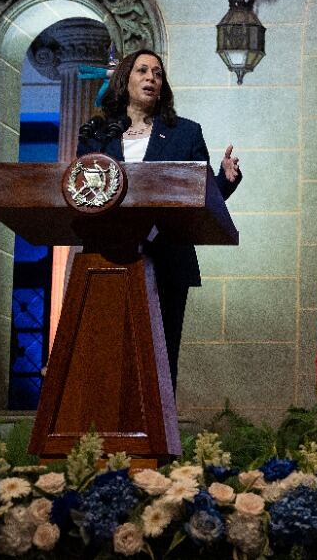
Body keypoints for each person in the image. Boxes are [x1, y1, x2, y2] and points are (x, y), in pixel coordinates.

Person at [77, 50, 241, 390]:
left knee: (160, 360)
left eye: (157, 73)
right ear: (125, 80)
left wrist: (225, 181)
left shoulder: (184, 133)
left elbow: (201, 196)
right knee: (108, 360)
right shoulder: (98, 134)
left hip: (166, 259)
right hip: (108, 256)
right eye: (142, 71)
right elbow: (83, 190)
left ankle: (157, 439)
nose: (151, 77)